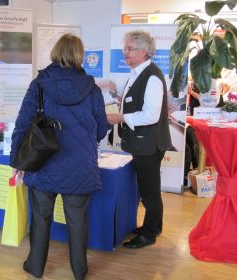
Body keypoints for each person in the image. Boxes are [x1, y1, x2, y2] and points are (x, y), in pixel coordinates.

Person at [10, 33, 108, 279]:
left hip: (42, 163)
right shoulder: (92, 88)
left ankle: (35, 267)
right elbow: (102, 127)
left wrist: (16, 161)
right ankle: (79, 271)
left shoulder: (39, 85)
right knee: (77, 223)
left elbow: (22, 124)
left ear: (55, 52)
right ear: (79, 55)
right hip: (80, 166)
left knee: (40, 220)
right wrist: (84, 143)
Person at [107, 30, 172, 249]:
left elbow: (151, 115)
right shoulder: (138, 73)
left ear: (143, 51)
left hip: (149, 144)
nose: (125, 53)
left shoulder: (151, 76)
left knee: (149, 192)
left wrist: (121, 116)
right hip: (143, 143)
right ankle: (154, 226)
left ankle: (149, 234)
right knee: (149, 189)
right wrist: (117, 99)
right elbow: (137, 104)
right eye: (125, 48)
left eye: (129, 49)